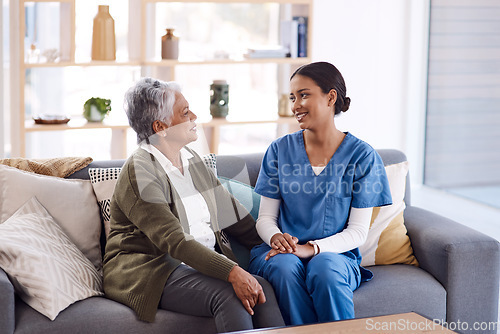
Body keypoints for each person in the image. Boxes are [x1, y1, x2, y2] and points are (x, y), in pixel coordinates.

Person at [103, 77, 284, 333]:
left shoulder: (191, 160)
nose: (195, 116)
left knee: (262, 287)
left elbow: (232, 215)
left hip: (190, 266)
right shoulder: (139, 171)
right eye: (185, 112)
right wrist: (232, 272)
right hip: (152, 269)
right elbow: (174, 241)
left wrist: (276, 240)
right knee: (230, 295)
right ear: (161, 127)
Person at [248, 62, 393, 326]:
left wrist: (312, 248)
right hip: (284, 253)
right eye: (293, 97)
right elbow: (265, 218)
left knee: (324, 268)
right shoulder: (279, 150)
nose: (295, 105)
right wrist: (277, 238)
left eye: (304, 95)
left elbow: (358, 231)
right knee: (284, 266)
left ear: (330, 97)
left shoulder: (362, 156)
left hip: (336, 256)